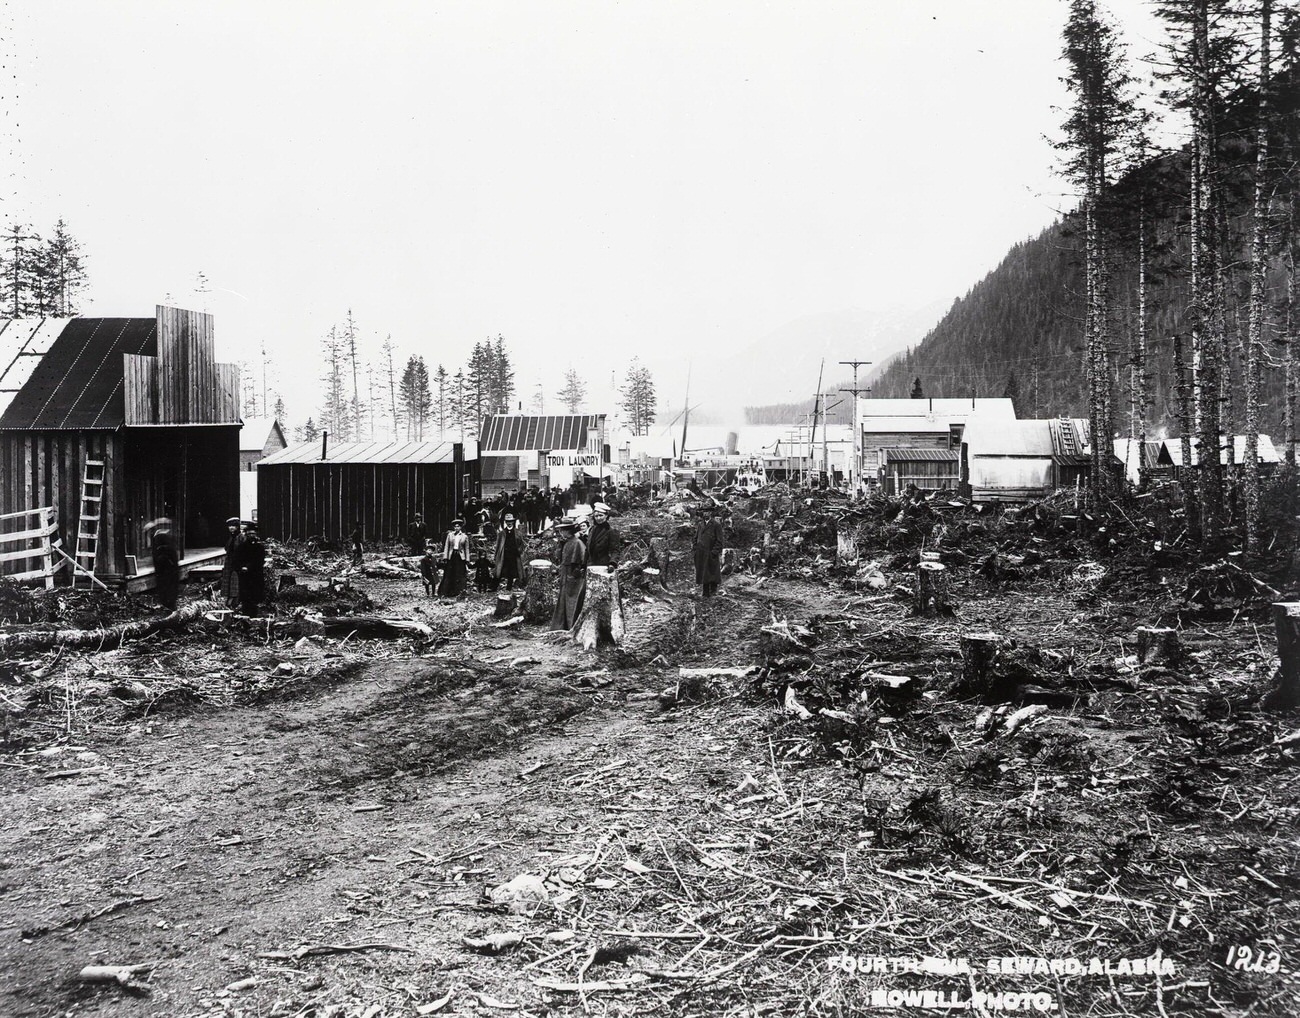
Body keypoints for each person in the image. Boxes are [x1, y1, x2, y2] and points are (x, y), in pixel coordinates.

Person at [550, 519, 587, 630]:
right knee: (563, 600)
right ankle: (562, 625)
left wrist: (575, 572)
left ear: (568, 531)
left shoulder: (577, 543)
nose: (561, 533)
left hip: (573, 578)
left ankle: (572, 626)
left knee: (572, 601)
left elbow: (581, 560)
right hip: (565, 575)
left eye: (563, 530)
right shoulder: (566, 542)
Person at [693, 502, 725, 597]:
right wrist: (695, 547)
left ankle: (713, 592)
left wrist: (714, 552)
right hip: (701, 553)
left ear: (711, 513)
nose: (705, 514)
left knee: (712, 572)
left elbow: (719, 541)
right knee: (703, 572)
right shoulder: (700, 524)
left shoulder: (716, 525)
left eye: (707, 512)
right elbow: (695, 537)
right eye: (704, 512)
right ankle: (705, 592)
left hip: (710, 553)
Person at [148, 519, 179, 611]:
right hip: (166, 566)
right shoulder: (161, 536)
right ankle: (168, 604)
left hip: (167, 566)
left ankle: (169, 604)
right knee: (166, 585)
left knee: (167, 585)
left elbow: (166, 553)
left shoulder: (161, 537)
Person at [238, 519, 266, 616]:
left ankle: (255, 616)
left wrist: (249, 567)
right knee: (245, 598)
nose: (251, 536)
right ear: (246, 535)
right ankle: (245, 616)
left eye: (253, 534)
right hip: (245, 576)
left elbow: (259, 561)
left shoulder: (260, 547)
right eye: (249, 534)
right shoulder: (241, 547)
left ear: (256, 534)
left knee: (255, 596)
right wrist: (241, 567)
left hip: (255, 575)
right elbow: (237, 559)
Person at [494, 513, 527, 591]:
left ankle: (509, 587)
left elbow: (522, 544)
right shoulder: (501, 533)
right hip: (504, 555)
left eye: (511, 521)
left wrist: (519, 551)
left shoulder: (518, 532)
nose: (509, 523)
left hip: (514, 555)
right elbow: (498, 546)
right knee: (499, 570)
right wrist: (496, 556)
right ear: (505, 522)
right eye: (507, 521)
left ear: (513, 522)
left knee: (512, 571)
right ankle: (494, 586)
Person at [438, 518, 470, 597]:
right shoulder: (450, 535)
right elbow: (446, 546)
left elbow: (467, 548)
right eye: (455, 526)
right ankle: (447, 591)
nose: (456, 528)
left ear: (461, 527)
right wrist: (445, 557)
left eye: (458, 526)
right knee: (449, 573)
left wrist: (467, 559)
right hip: (451, 556)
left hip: (460, 556)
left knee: (459, 573)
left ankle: (459, 591)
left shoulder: (464, 536)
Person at [586, 502, 619, 568]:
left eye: (601, 515)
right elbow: (587, 550)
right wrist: (583, 565)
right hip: (591, 565)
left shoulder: (611, 531)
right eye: (596, 516)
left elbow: (615, 550)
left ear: (606, 516)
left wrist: (612, 563)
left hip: (604, 565)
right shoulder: (592, 530)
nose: (598, 518)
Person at [221, 516, 242, 607]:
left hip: (237, 564)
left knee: (235, 582)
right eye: (230, 526)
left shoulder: (241, 537)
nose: (231, 528)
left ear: (237, 527)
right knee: (229, 582)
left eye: (234, 526)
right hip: (229, 563)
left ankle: (235, 602)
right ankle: (230, 601)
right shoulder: (231, 537)